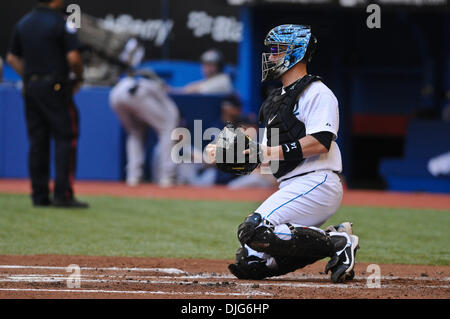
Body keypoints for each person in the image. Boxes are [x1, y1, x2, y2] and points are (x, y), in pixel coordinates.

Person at [206, 24, 360, 283]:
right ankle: (332, 238)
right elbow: (266, 151)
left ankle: (337, 242)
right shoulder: (275, 101)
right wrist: (229, 153)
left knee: (253, 230)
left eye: (277, 50)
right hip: (290, 185)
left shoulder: (317, 92)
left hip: (318, 181)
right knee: (250, 263)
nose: (271, 56)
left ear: (296, 52)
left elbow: (321, 141)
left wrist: (267, 150)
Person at [6, 0, 87, 208]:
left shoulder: (24, 23)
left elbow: (12, 58)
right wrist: (78, 78)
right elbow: (74, 58)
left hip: (31, 88)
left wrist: (32, 77)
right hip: (56, 87)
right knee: (66, 137)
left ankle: (39, 195)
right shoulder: (61, 23)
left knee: (37, 141)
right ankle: (63, 194)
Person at [109, 71, 180, 187]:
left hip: (115, 95)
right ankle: (168, 176)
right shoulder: (169, 105)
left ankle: (133, 176)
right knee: (167, 128)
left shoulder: (141, 81)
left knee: (134, 133)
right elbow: (171, 120)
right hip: (136, 93)